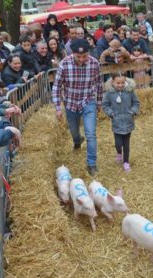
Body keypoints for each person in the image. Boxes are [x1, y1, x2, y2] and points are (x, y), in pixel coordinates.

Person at [52, 39, 103, 176]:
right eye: (78, 56)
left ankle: (91, 164)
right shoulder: (64, 64)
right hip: (70, 102)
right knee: (74, 130)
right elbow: (57, 86)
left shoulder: (94, 63)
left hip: (88, 101)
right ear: (72, 54)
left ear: (89, 52)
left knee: (91, 133)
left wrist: (98, 102)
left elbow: (99, 84)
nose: (81, 59)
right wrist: (58, 107)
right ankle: (77, 141)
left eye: (84, 56)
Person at [102, 73, 139, 173]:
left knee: (126, 144)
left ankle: (126, 162)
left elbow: (136, 103)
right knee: (118, 143)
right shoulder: (109, 93)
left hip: (128, 122)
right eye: (118, 83)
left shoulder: (130, 91)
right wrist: (111, 113)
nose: (121, 85)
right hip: (117, 122)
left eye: (123, 82)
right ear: (113, 82)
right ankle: (119, 153)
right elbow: (105, 105)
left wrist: (133, 111)